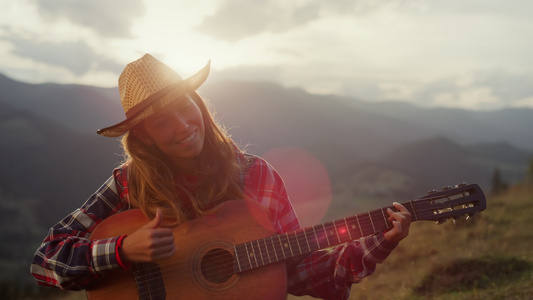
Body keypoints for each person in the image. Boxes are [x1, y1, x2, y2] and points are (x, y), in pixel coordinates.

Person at [30, 54, 411, 299]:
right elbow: (45, 262)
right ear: (144, 135)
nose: (182, 127)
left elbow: (300, 273)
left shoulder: (257, 176)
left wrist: (376, 243)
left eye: (185, 107)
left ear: (199, 103)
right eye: (162, 122)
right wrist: (123, 250)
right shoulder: (130, 183)